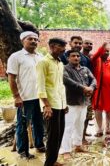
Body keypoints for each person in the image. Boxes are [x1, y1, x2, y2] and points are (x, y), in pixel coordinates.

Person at [7, 31, 45, 159]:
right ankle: (23, 151)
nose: (34, 41)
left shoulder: (40, 57)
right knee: (23, 124)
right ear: (23, 41)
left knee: (39, 122)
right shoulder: (16, 57)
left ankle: (40, 145)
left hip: (40, 97)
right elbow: (11, 78)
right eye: (30, 39)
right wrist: (16, 96)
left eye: (36, 39)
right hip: (25, 98)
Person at [59, 50, 96, 159]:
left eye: (77, 56)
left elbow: (93, 79)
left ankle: (78, 145)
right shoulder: (65, 69)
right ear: (68, 58)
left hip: (84, 101)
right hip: (71, 102)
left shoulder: (85, 69)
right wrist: (83, 88)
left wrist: (91, 88)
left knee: (80, 124)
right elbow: (67, 81)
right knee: (68, 126)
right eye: (73, 56)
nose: (76, 58)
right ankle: (65, 150)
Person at [37, 38, 68, 166]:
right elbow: (40, 86)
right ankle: (49, 163)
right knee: (52, 135)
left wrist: (64, 103)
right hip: (50, 105)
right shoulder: (43, 62)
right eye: (61, 46)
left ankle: (53, 160)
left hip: (60, 103)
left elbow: (60, 85)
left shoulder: (60, 63)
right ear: (52, 46)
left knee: (59, 134)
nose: (64, 49)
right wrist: (47, 105)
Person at [90, 43, 110, 137]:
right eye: (105, 51)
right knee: (98, 109)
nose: (106, 52)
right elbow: (95, 55)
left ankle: (108, 128)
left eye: (108, 51)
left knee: (109, 110)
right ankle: (99, 129)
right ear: (100, 51)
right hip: (99, 90)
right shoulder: (96, 60)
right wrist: (102, 46)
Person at [81, 39, 94, 144]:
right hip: (79, 91)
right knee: (79, 115)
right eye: (87, 43)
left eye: (91, 44)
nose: (89, 45)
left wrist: (91, 87)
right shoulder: (78, 57)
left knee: (87, 115)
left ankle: (83, 135)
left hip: (89, 90)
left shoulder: (89, 58)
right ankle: (80, 137)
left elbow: (91, 75)